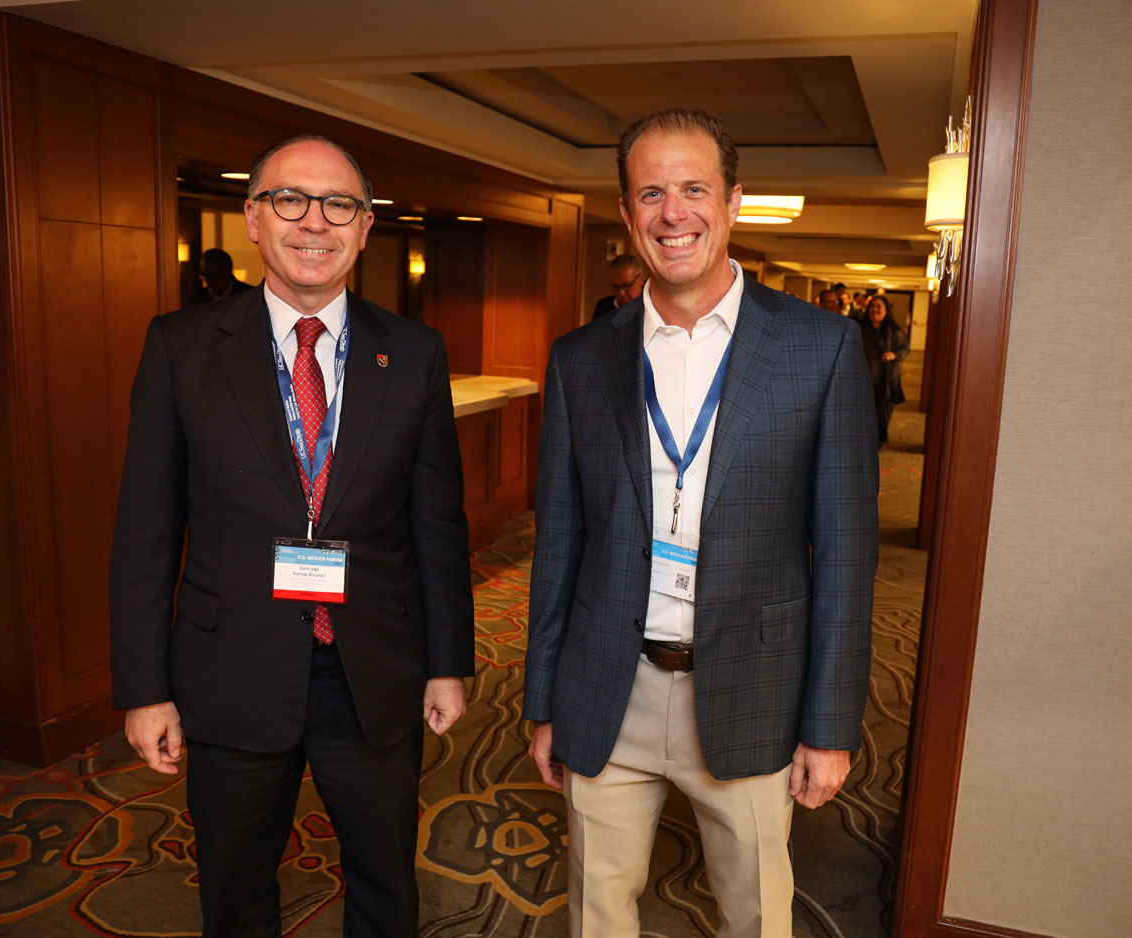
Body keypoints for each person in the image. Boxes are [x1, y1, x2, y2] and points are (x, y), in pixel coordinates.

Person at [523, 108, 879, 938]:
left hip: (753, 686)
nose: (672, 213)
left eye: (693, 189)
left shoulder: (820, 348)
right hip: (608, 685)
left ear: (734, 201)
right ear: (626, 213)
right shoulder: (581, 357)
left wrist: (829, 726)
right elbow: (560, 543)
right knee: (595, 913)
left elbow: (845, 555)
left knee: (756, 915)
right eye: (651, 194)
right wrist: (544, 700)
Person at [109, 133, 475, 938]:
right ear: (253, 217)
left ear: (366, 226)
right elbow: (146, 530)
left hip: (372, 670)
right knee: (234, 890)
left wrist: (448, 663)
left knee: (386, 885)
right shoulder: (180, 347)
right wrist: (143, 687)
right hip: (230, 669)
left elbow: (437, 524)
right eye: (289, 199)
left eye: (339, 203)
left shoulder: (414, 352)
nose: (315, 221)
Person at [859, 294, 910, 448]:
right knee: (864, 410)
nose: (875, 309)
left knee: (884, 410)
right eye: (872, 306)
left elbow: (905, 349)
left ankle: (878, 440)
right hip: (865, 376)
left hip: (887, 378)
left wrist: (894, 355)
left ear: (886, 310)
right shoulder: (860, 328)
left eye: (879, 306)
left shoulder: (894, 330)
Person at [591, 253, 647, 319]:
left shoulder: (651, 305)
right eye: (615, 286)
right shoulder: (602, 307)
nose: (621, 293)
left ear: (641, 279)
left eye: (627, 285)